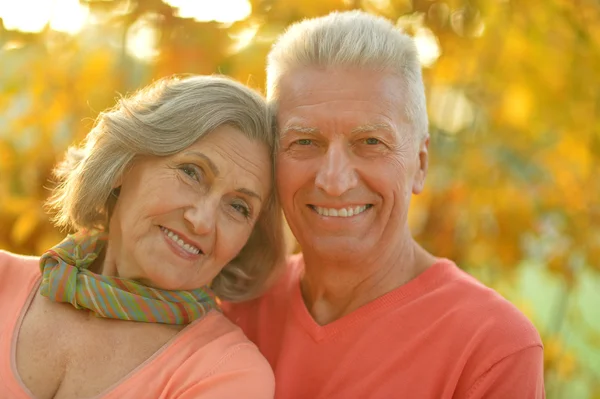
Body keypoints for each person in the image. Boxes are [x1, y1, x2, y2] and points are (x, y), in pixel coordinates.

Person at [223, 10, 545, 399]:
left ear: (420, 165)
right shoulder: (237, 309)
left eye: (371, 142)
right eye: (305, 142)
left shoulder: (491, 347)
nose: (334, 181)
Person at [0, 75, 285, 399]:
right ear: (124, 165)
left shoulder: (228, 372)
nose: (202, 221)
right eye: (191, 172)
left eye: (238, 206)